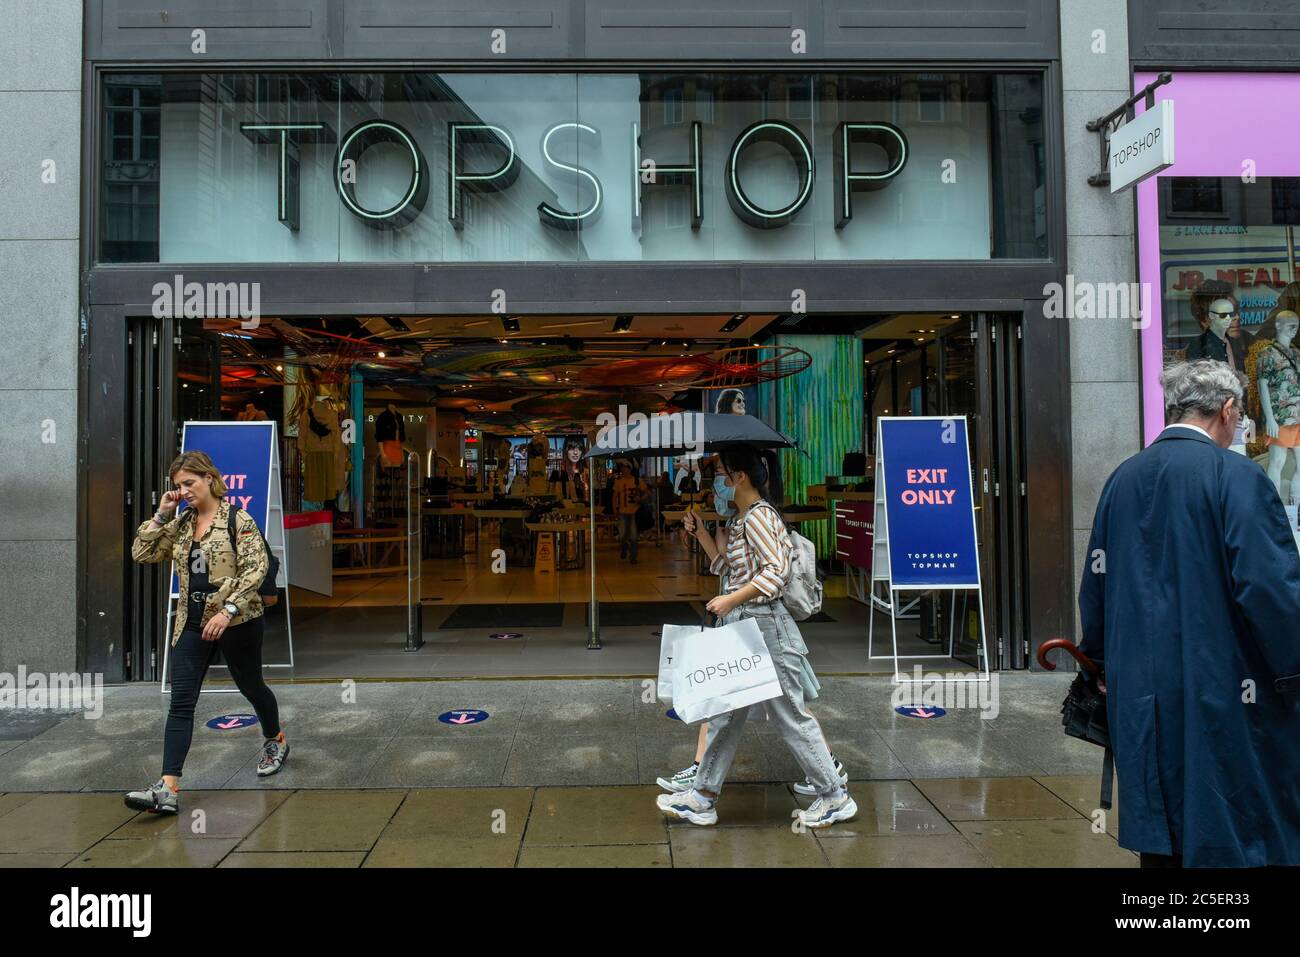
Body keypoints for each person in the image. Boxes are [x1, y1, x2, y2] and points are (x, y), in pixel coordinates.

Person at [1079, 360, 1300, 867]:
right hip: (1225, 686)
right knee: (1237, 826)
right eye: (1240, 415)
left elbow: (1096, 584)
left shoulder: (1123, 478)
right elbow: (1271, 590)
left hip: (1141, 685)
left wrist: (1100, 663)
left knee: (1161, 834)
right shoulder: (1237, 477)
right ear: (1227, 410)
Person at [657, 445, 857, 828]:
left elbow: (775, 573)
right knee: (724, 716)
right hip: (746, 627)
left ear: (739, 477)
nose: (716, 481)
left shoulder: (759, 517)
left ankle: (834, 797)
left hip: (765, 628)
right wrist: (700, 533)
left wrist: (729, 599)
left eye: (720, 472)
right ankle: (702, 797)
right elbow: (728, 567)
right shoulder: (741, 519)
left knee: (791, 717)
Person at [125, 451, 289, 814]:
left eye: (189, 483)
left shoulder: (237, 519)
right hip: (191, 622)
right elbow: (142, 552)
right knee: (181, 702)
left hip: (238, 621)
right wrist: (162, 514)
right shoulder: (182, 523)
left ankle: (274, 738)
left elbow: (256, 569)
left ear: (209, 479)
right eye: (178, 486)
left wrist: (228, 610)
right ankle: (168, 788)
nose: (183, 491)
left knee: (251, 686)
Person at [612, 460, 650, 563]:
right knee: (622, 535)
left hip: (634, 511)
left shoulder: (637, 481)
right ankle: (624, 548)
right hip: (622, 512)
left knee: (633, 536)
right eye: (622, 468)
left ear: (629, 469)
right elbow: (615, 496)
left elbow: (647, 492)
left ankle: (633, 557)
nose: (623, 470)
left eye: (625, 467)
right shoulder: (619, 482)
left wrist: (641, 499)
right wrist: (615, 508)